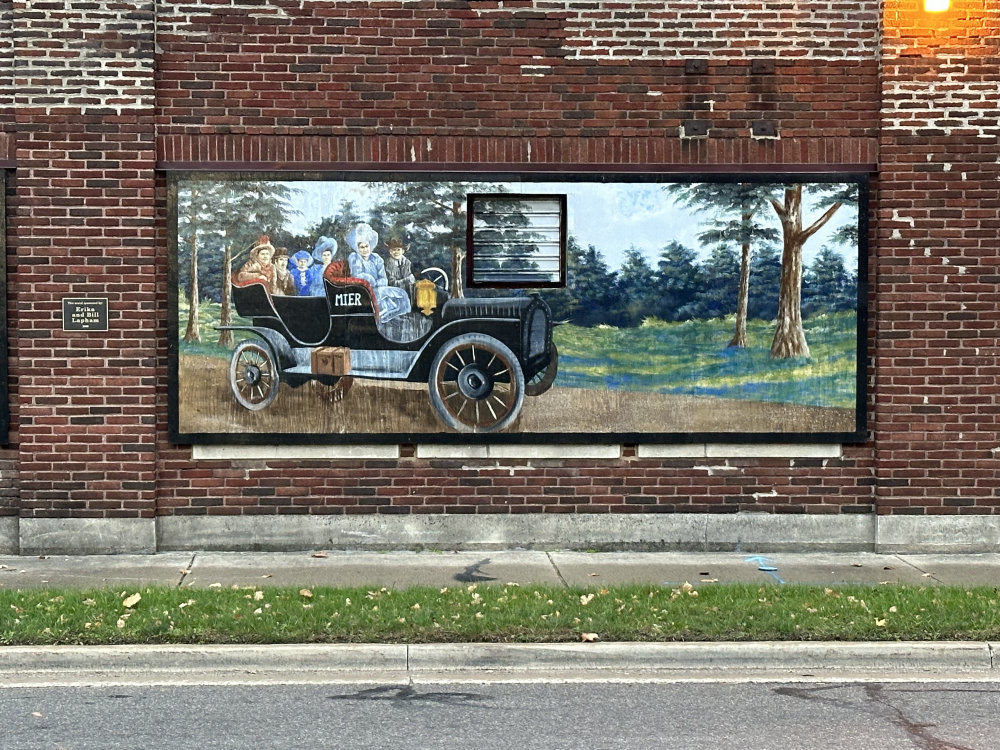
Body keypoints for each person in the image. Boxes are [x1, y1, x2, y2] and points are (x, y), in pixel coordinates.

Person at [346, 223, 411, 321]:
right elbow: (357, 276)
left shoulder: (376, 258)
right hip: (364, 291)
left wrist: (377, 283)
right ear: (357, 248)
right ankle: (384, 317)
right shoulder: (355, 259)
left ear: (370, 245)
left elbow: (383, 278)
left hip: (379, 287)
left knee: (401, 294)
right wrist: (371, 281)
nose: (365, 249)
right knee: (383, 299)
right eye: (362, 247)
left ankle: (399, 316)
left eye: (366, 246)